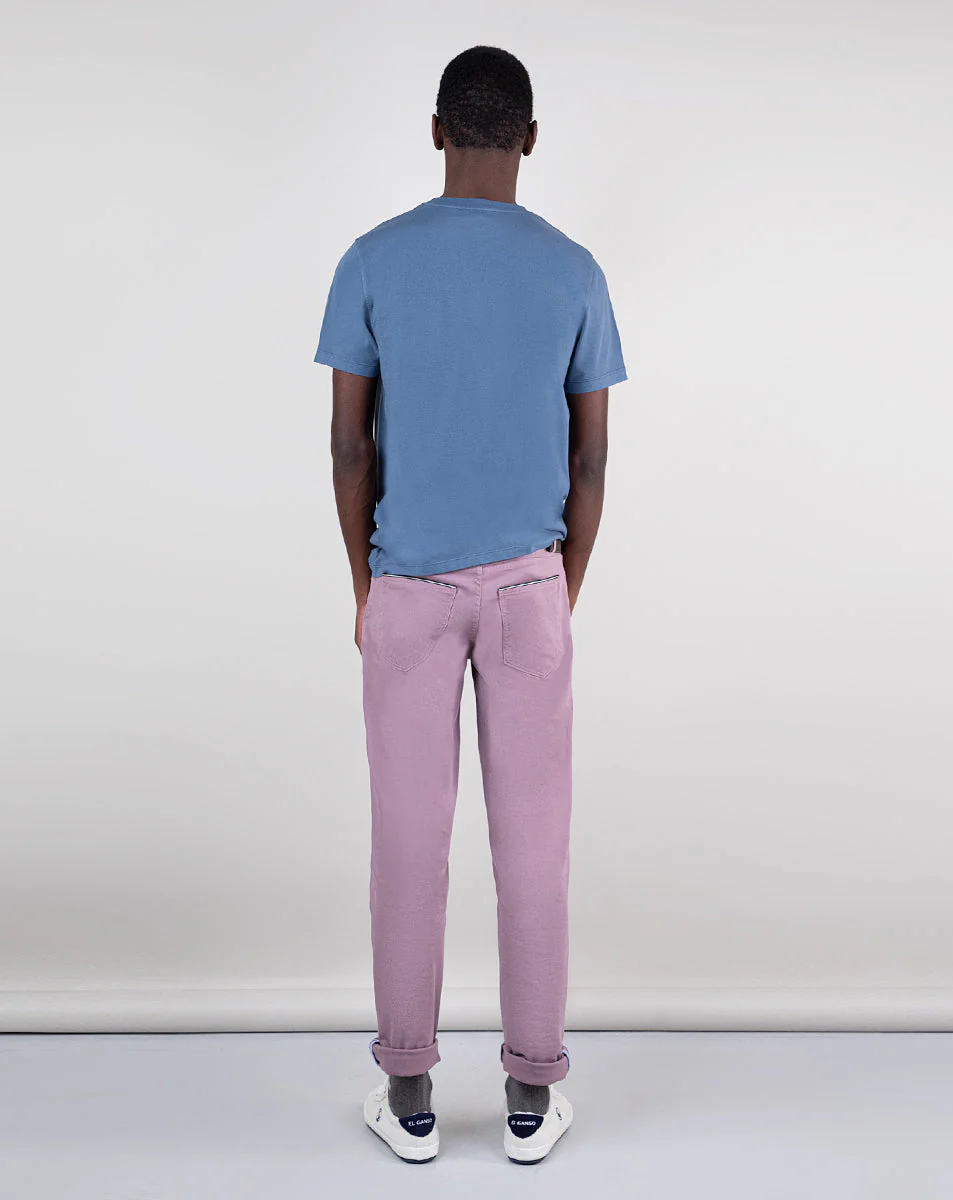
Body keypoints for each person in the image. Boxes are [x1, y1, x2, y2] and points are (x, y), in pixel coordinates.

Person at [314, 44, 627, 1165]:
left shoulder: (371, 259)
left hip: (407, 584)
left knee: (408, 842)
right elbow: (590, 460)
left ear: (437, 129)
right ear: (529, 139)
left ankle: (407, 1090)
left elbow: (350, 445)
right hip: (530, 584)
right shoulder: (573, 270)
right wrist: (556, 589)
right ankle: (532, 1095)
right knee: (534, 847)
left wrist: (366, 585)